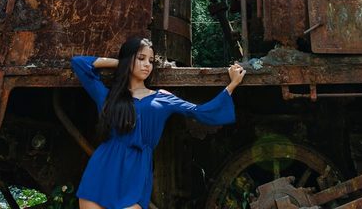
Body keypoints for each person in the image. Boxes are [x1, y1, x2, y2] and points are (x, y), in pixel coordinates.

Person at [71, 37, 246, 209]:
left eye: (151, 60)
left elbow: (199, 112)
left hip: (136, 172)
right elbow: (79, 63)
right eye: (141, 58)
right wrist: (121, 63)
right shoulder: (109, 97)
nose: (147, 64)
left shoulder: (162, 97)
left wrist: (232, 85)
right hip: (102, 169)